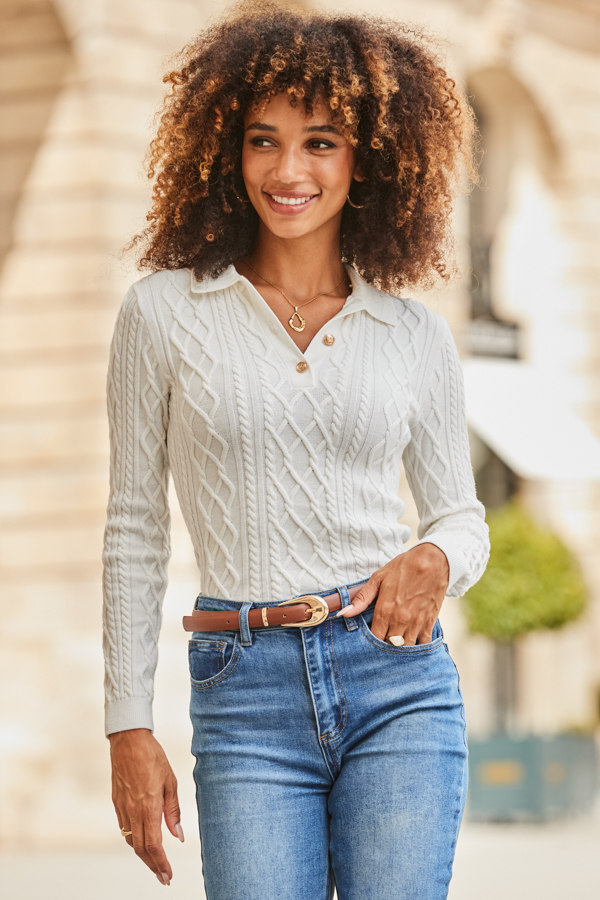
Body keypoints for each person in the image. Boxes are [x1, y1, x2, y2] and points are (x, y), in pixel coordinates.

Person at [102, 4, 490, 898]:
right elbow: (133, 526)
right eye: (262, 140)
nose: (287, 171)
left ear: (369, 157)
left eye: (321, 142)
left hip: (399, 683)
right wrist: (129, 722)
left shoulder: (412, 332)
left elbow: (461, 516)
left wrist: (435, 556)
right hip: (244, 690)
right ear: (224, 154)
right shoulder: (163, 313)